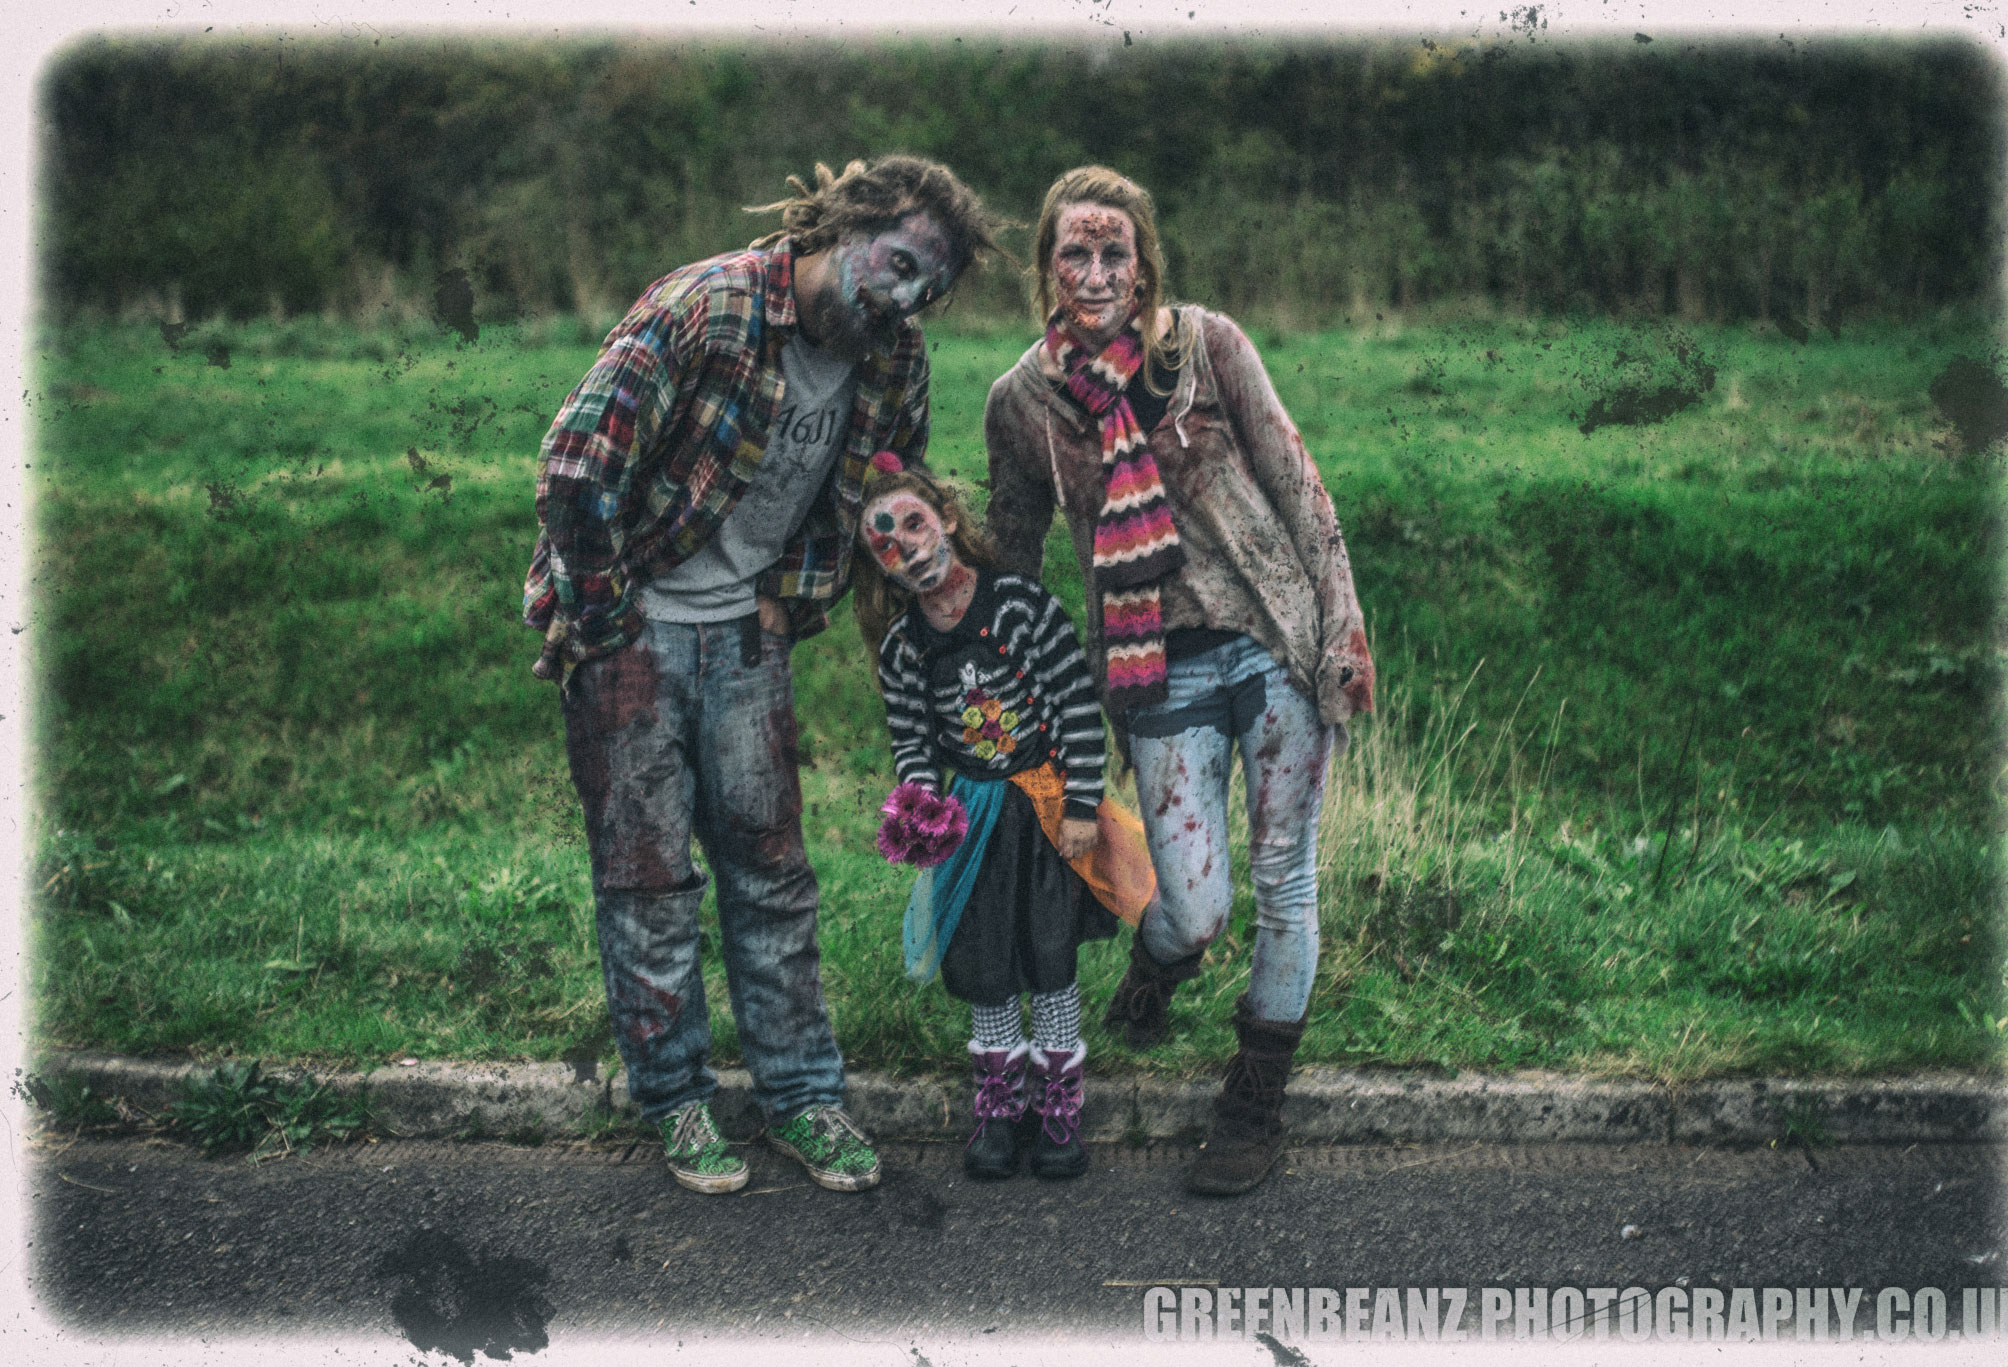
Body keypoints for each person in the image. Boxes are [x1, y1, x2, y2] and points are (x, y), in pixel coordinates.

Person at [522, 156, 999, 1195]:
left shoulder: (892, 357)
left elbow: (880, 491)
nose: (906, 294)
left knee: (771, 875)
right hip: (634, 634)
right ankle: (679, 1102)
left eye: (930, 284)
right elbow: (573, 462)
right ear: (845, 226)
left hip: (747, 641)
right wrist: (604, 620)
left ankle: (800, 1097)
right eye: (899, 262)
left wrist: (801, 593)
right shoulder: (710, 305)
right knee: (648, 883)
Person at [983, 166, 1376, 1196]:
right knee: (1194, 905)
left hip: (1271, 632)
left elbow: (1296, 477)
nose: (1097, 270)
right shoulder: (1021, 401)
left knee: (1285, 873)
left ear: (1144, 260)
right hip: (1148, 661)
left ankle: (1251, 1104)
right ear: (1047, 266)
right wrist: (992, 679)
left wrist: (1343, 620)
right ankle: (1159, 963)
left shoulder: (1205, 345)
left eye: (1116, 252)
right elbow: (1014, 557)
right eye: (1076, 251)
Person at [853, 459, 1156, 1181]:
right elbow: (915, 746)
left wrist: (1082, 801)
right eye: (885, 545)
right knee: (987, 958)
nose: (909, 549)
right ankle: (999, 1100)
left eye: (915, 525)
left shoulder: (1018, 605)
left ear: (949, 519)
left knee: (1049, 955)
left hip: (1046, 806)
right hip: (974, 816)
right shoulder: (904, 650)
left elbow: (1077, 704)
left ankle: (1057, 1103)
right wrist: (923, 814)